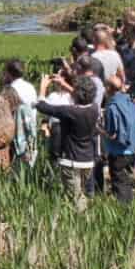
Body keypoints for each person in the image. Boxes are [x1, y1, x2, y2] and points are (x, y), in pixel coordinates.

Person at [36, 74, 99, 210]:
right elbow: (82, 97)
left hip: (71, 161)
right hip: (87, 160)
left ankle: (81, 222)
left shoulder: (69, 111)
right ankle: (87, 217)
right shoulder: (94, 109)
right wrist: (65, 84)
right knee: (81, 194)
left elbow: (41, 106)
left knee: (75, 198)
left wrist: (43, 87)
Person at [99, 74, 135, 202]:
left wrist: (99, 130)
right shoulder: (130, 102)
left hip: (118, 151)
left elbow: (112, 134)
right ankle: (130, 204)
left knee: (118, 182)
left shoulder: (112, 107)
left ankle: (123, 210)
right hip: (132, 148)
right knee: (126, 180)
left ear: (109, 88)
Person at [2, 59, 38, 166]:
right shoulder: (30, 87)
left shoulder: (10, 90)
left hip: (16, 134)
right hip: (31, 130)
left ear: (8, 73)